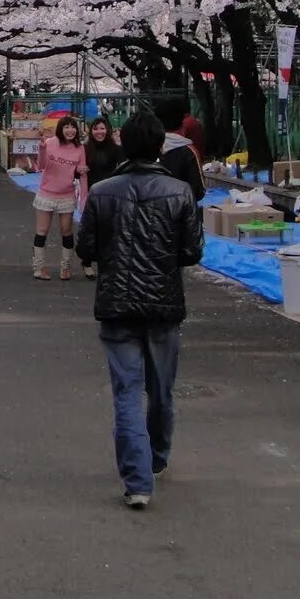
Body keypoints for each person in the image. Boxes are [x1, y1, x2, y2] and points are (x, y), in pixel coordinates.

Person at [77, 110, 204, 510]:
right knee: (161, 389)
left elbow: (86, 247)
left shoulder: (103, 192)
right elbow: (191, 250)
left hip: (117, 302)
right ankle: (158, 457)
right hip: (163, 303)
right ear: (160, 147)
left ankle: (137, 480)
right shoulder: (180, 192)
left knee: (127, 391)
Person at [34, 116, 88, 280]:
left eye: (73, 127)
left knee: (66, 231)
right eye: (66, 127)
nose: (70, 130)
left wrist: (83, 199)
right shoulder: (50, 143)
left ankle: (65, 268)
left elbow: (82, 174)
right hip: (47, 194)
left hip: (67, 195)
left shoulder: (79, 149)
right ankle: (39, 268)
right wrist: (42, 147)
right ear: (60, 129)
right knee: (42, 231)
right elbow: (41, 165)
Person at [82, 118, 122, 281]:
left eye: (102, 128)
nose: (99, 132)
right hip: (91, 194)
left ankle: (106, 264)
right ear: (91, 131)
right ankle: (87, 262)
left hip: (111, 194)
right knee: (91, 230)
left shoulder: (116, 149)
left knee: (110, 230)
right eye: (96, 129)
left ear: (108, 130)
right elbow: (76, 171)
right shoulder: (85, 149)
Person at [155, 101, 207, 202]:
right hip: (182, 211)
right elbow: (199, 190)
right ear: (182, 123)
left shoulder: (148, 147)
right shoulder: (189, 152)